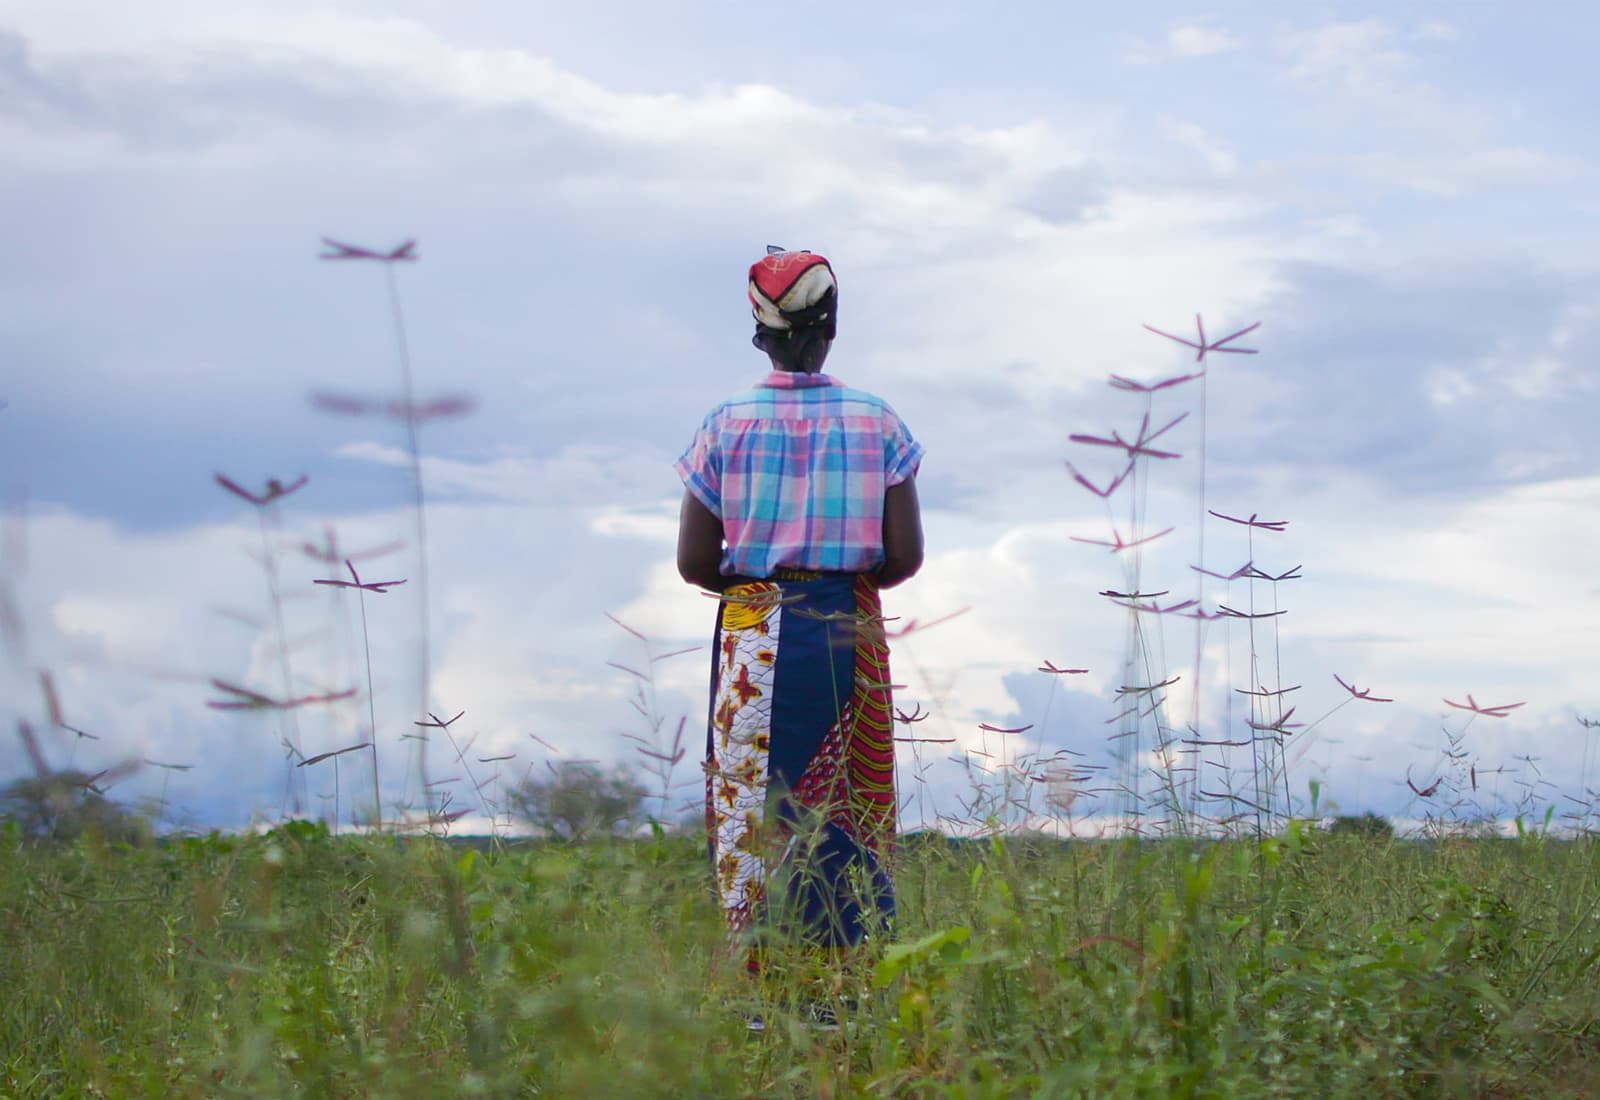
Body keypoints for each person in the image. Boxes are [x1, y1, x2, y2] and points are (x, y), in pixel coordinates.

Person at [674, 247, 925, 1012]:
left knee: (754, 816)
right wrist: (836, 588)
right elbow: (905, 556)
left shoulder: (723, 425)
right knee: (847, 815)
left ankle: (763, 1012)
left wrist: (764, 587)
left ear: (759, 334)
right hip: (846, 628)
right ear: (833, 326)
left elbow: (694, 562)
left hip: (755, 630)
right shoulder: (878, 421)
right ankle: (842, 1005)